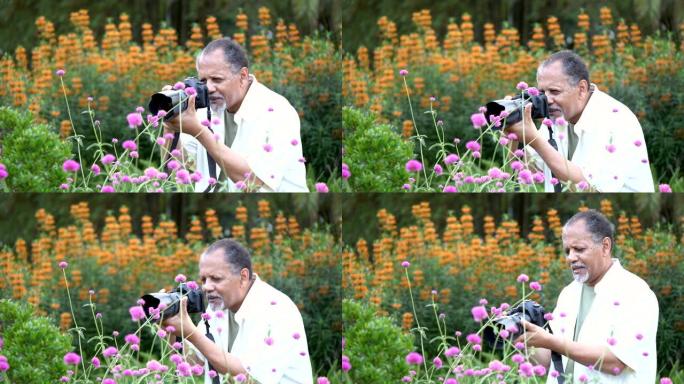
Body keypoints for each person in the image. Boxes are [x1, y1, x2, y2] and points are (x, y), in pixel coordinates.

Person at [517, 210, 658, 383]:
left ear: (605, 246)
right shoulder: (569, 293)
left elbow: (617, 362)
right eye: (567, 251)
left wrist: (550, 341)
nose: (570, 258)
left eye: (579, 249)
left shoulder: (635, 292)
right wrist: (520, 337)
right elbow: (547, 360)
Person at [162, 38, 308, 192]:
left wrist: (199, 131)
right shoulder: (205, 108)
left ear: (243, 76)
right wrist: (170, 127)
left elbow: (253, 181)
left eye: (217, 79)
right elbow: (179, 165)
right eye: (203, 81)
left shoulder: (277, 111)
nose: (209, 88)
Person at [163, 239, 313, 384]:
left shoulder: (277, 310)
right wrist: (170, 326)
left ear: (243, 277)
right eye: (203, 279)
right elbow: (192, 362)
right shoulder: (219, 305)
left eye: (216, 278)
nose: (206, 287)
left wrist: (191, 333)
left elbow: (249, 378)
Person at [505, 50, 654, 192]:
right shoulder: (557, 114)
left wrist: (535, 140)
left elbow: (588, 187)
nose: (547, 100)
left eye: (555, 91)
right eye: (542, 93)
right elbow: (528, 171)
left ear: (582, 89)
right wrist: (512, 134)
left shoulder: (615, 120)